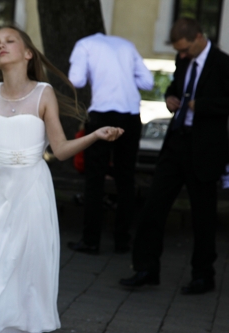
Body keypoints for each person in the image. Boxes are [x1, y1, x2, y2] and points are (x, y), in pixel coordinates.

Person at [0, 26, 124, 332]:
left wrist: (96, 135)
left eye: (9, 41)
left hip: (31, 185)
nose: (0, 46)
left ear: (28, 53)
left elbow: (59, 150)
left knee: (22, 259)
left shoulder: (43, 93)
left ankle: (16, 320)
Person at [119, 18, 229, 294]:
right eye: (178, 51)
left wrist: (203, 105)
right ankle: (146, 268)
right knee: (153, 206)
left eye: (185, 49)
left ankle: (203, 275)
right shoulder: (184, 62)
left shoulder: (224, 64)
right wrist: (170, 98)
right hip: (175, 145)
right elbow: (174, 88)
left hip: (204, 149)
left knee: (203, 216)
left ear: (199, 38)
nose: (181, 55)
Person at [67, 32, 154, 255]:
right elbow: (148, 81)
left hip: (102, 114)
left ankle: (91, 240)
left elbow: (76, 80)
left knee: (94, 177)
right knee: (126, 178)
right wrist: (122, 77)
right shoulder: (127, 44)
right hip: (131, 116)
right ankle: (122, 241)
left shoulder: (84, 44)